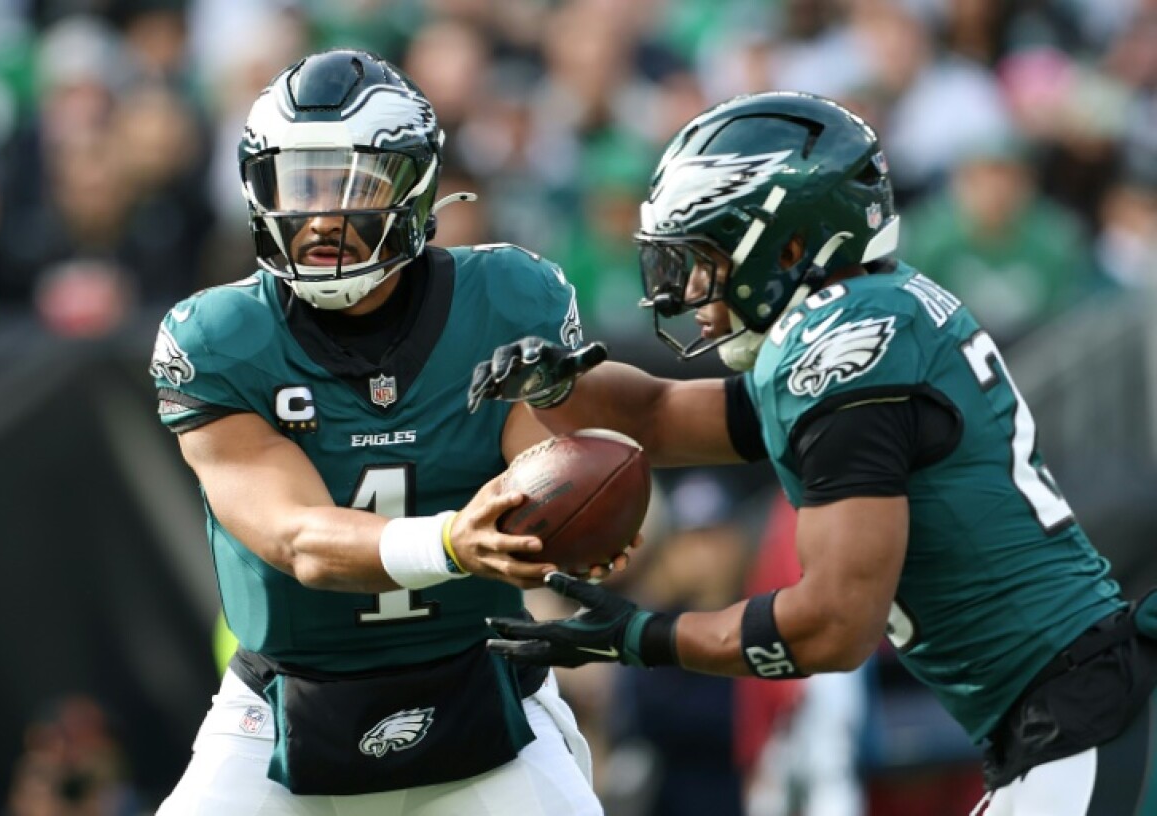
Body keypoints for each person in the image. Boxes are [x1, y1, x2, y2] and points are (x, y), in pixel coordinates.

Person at [468, 91, 1157, 815]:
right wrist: (554, 387)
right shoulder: (861, 317)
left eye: (706, 258)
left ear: (789, 246)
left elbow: (836, 623)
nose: (690, 292)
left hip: (1082, 722)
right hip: (1063, 716)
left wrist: (645, 638)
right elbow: (661, 415)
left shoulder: (845, 350)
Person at [148, 48, 604, 815]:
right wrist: (454, 543)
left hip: (486, 697)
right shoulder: (219, 338)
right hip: (279, 713)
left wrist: (575, 525)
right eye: (299, 182)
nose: (321, 214)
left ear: (414, 183)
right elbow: (299, 539)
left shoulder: (509, 297)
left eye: (350, 181)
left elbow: (550, 481)